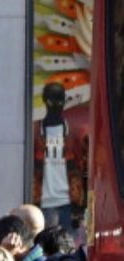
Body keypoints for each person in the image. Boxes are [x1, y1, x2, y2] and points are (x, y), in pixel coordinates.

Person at [33, 81, 87, 230]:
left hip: (68, 203)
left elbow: (83, 169)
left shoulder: (75, 134)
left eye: (60, 100)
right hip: (43, 203)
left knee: (68, 245)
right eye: (52, 100)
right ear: (45, 100)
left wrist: (81, 204)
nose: (57, 105)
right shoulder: (35, 132)